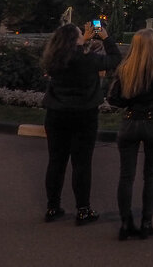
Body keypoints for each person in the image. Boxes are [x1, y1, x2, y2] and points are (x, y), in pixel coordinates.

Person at [41, 22, 121, 225]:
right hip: (84, 116)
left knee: (56, 162)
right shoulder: (88, 60)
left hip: (56, 115)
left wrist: (83, 39)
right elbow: (115, 59)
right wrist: (105, 37)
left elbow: (71, 52)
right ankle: (83, 210)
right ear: (75, 39)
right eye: (79, 34)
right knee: (82, 163)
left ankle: (52, 207)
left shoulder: (54, 59)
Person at [107, 28, 153, 241]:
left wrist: (130, 101)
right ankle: (146, 223)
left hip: (130, 121)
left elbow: (113, 98)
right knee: (151, 174)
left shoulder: (125, 68)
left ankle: (125, 222)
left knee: (126, 176)